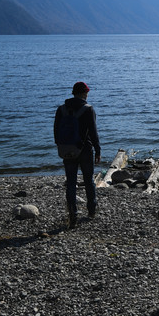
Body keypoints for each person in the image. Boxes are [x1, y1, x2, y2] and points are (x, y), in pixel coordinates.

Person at [54, 81, 101, 228]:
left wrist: (61, 146)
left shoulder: (61, 109)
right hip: (85, 149)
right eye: (87, 92)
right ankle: (91, 210)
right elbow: (93, 132)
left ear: (73, 93)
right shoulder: (88, 109)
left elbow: (56, 132)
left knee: (71, 183)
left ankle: (72, 215)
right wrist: (98, 150)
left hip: (68, 150)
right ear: (84, 93)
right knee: (89, 181)